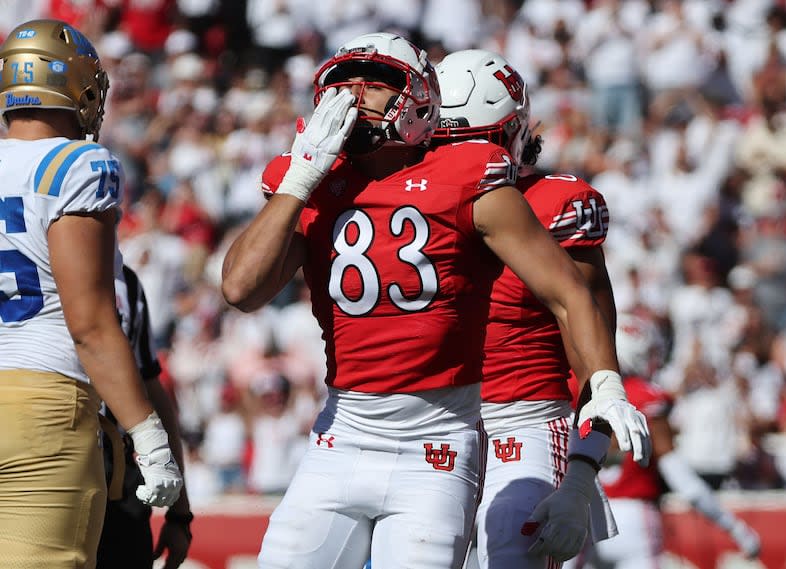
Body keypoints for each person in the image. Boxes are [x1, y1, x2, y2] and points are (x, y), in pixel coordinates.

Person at [222, 32, 649, 569]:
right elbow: (239, 288)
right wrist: (303, 176)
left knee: (508, 556)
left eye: (374, 86)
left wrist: (587, 454)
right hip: (348, 429)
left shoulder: (491, 184)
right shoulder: (320, 181)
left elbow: (576, 302)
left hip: (482, 429)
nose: (353, 99)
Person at [433, 49, 633, 569]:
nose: (460, 158)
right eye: (444, 143)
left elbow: (596, 358)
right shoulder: (411, 203)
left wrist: (583, 475)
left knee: (510, 555)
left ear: (514, 133)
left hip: (524, 426)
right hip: (430, 427)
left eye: (474, 142)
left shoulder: (558, 204)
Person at [0, 19, 182, 569]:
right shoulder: (78, 162)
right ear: (78, 85)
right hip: (42, 406)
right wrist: (148, 436)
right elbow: (91, 323)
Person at [564, 313, 761, 568]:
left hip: (582, 511)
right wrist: (734, 527)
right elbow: (683, 481)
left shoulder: (573, 390)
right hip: (635, 521)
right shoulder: (646, 397)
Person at [97, 264, 193, 569]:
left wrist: (180, 512)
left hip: (117, 475)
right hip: (47, 463)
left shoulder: (125, 281)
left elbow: (151, 388)